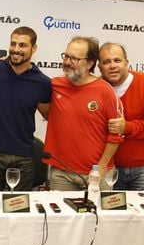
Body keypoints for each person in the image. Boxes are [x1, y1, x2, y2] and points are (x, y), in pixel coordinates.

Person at [41, 36, 124, 190]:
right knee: (61, 214)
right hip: (61, 173)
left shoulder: (106, 91)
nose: (67, 62)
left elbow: (116, 135)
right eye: (66, 56)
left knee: (100, 214)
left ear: (90, 63)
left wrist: (101, 166)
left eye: (74, 59)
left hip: (97, 173)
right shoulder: (54, 85)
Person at [0, 26, 51, 191]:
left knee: (18, 209)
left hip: (24, 156)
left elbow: (49, 114)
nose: (16, 49)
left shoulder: (43, 82)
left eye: (23, 45)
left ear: (34, 48)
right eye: (13, 44)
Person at [98, 42, 144, 191]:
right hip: (110, 168)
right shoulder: (96, 88)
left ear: (127, 62)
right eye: (106, 62)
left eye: (117, 60)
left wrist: (127, 127)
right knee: (111, 212)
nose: (112, 66)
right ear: (99, 67)